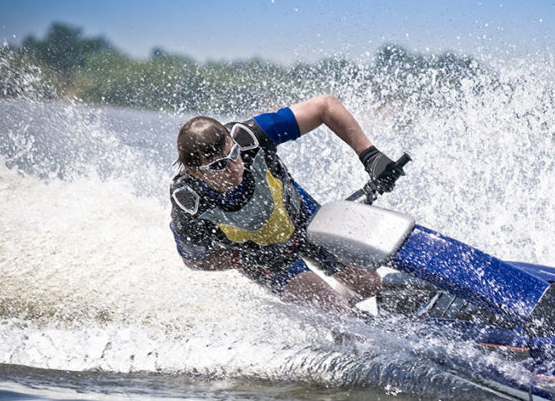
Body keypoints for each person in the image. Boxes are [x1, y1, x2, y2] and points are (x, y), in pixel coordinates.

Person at [169, 94, 404, 311]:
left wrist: (370, 156)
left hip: (302, 218)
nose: (233, 168)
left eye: (233, 155)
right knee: (333, 310)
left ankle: (345, 309)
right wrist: (241, 258)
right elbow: (194, 260)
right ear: (195, 172)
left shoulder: (252, 136)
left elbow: (325, 106)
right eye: (218, 166)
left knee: (369, 284)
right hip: (266, 259)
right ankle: (342, 322)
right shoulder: (189, 202)